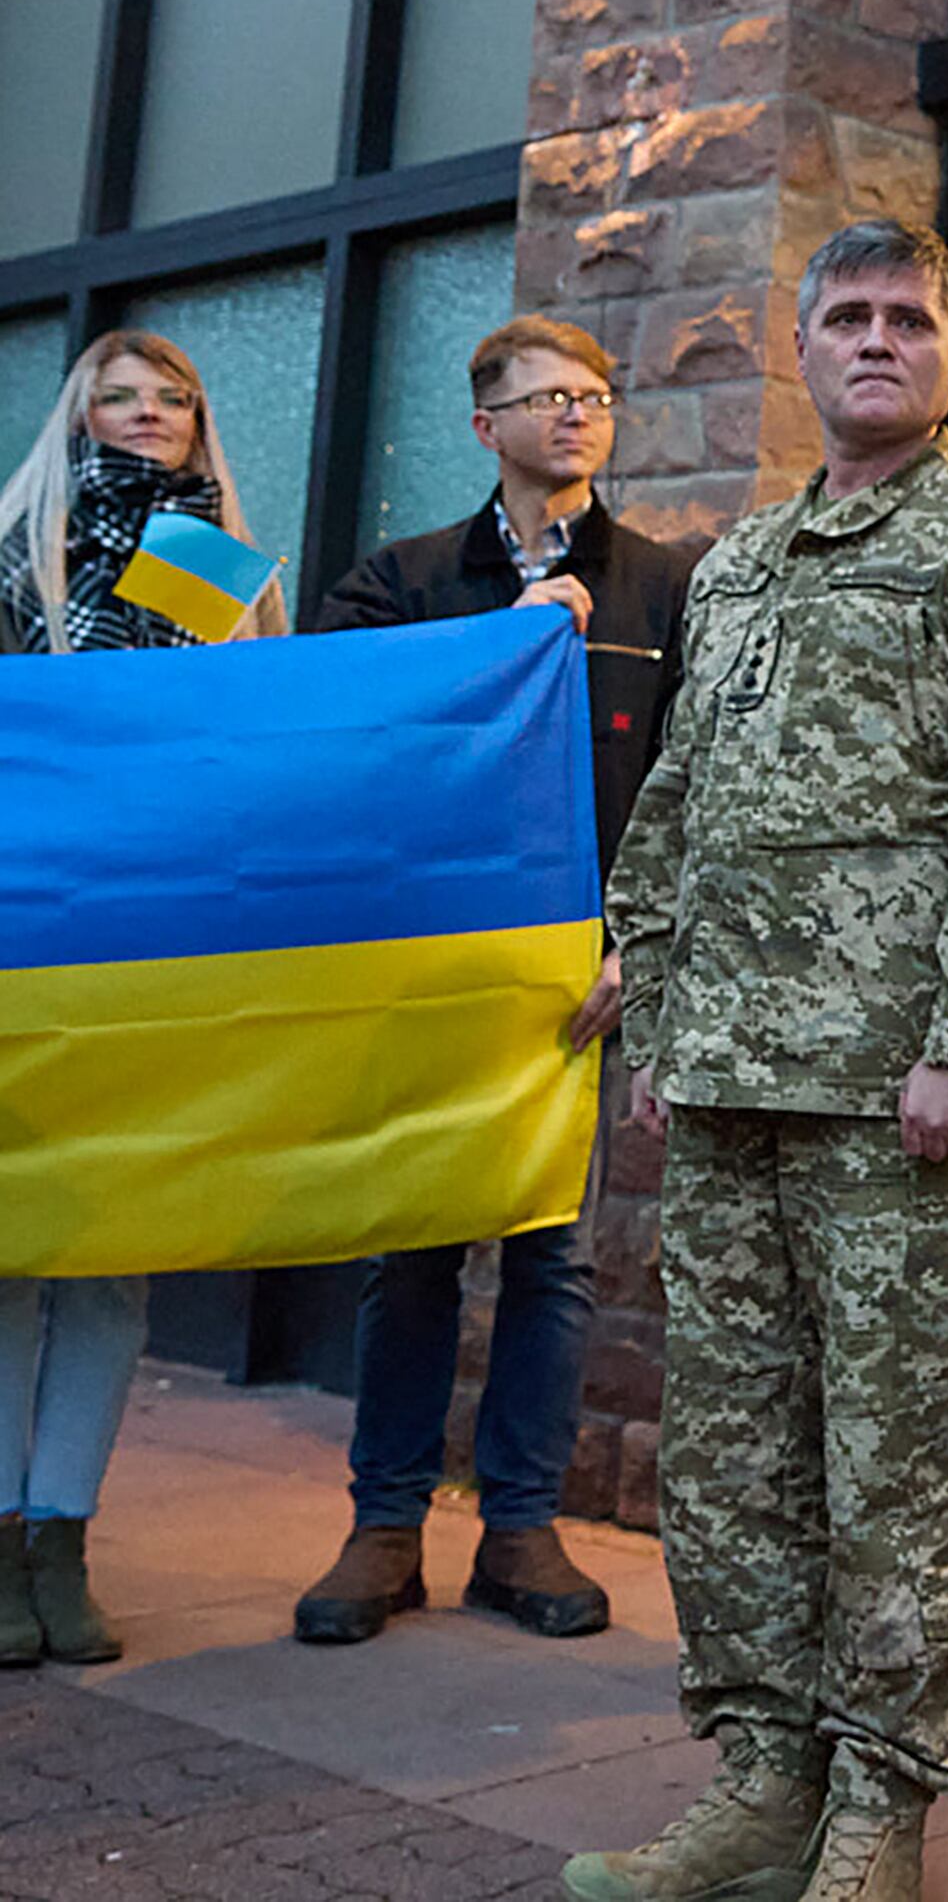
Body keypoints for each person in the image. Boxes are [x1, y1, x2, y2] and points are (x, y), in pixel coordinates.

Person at [569, 219, 948, 1902]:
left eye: (909, 321)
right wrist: (662, 1014)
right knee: (732, 1456)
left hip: (897, 1097)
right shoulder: (737, 563)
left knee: (893, 1456)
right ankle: (762, 1773)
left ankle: (881, 1801)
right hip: (724, 1081)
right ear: (805, 346)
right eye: (847, 316)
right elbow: (676, 810)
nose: (877, 341)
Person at [295, 314, 699, 1649]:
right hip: (426, 981)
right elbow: (336, 737)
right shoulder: (404, 579)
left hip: (574, 994)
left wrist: (647, 938)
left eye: (594, 394)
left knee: (555, 1260)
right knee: (409, 1252)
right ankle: (385, 1525)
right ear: (487, 427)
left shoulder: (659, 586)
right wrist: (492, 649)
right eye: (545, 397)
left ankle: (522, 1525)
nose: (578, 415)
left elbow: (699, 788)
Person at [0, 329, 286, 1673]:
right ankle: (1, 1541)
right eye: (121, 395)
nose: (150, 413)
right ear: (79, 415)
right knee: (8, 1251)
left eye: (174, 395)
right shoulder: (15, 555)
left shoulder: (228, 566)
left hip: (161, 937)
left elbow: (268, 746)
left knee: (111, 1256)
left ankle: (65, 1540)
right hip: (22, 932)